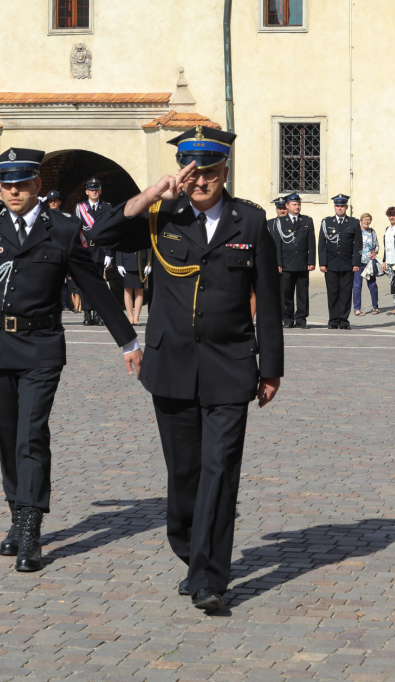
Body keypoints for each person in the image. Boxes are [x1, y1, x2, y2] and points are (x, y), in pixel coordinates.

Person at [0, 147, 140, 573]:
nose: (13, 191)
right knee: (6, 435)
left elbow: (92, 287)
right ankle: (17, 515)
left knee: (31, 435)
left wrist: (128, 341)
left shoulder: (64, 229)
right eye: (6, 184)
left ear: (37, 185)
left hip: (41, 346)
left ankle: (32, 528)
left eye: (21, 184)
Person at [90, 126, 284, 612]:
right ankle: (190, 551)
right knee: (184, 475)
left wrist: (271, 367)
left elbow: (271, 304)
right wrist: (155, 191)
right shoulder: (162, 215)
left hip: (230, 365)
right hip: (172, 364)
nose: (201, 182)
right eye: (193, 173)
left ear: (225, 172)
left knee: (220, 471)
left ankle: (209, 577)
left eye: (210, 173)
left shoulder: (251, 222)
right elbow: (102, 233)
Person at [271, 193, 315, 328]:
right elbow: (277, 245)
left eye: (299, 204)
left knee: (302, 293)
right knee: (286, 293)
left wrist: (311, 261)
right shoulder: (280, 222)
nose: (297, 207)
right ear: (287, 205)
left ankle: (301, 319)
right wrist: (278, 263)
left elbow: (311, 242)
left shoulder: (306, 221)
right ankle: (288, 319)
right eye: (294, 204)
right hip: (286, 263)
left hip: (302, 263)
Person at [75, 179, 113, 326]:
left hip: (100, 251)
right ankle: (87, 313)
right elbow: (76, 232)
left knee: (99, 285)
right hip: (85, 251)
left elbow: (110, 232)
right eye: (91, 189)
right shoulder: (80, 208)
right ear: (87, 192)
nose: (94, 192)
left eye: (97, 189)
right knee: (85, 284)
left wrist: (109, 253)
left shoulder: (107, 207)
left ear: (100, 191)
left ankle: (98, 314)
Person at [317, 195, 359, 329]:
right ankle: (333, 320)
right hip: (331, 264)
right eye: (337, 206)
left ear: (346, 207)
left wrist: (356, 263)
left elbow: (358, 244)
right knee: (332, 292)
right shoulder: (326, 222)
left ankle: (344, 320)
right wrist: (322, 263)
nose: (340, 208)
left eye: (342, 206)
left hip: (347, 264)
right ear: (334, 207)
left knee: (346, 293)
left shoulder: (353, 222)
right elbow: (321, 244)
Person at [353, 212, 380, 316]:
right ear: (361, 221)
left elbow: (377, 246)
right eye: (365, 220)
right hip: (358, 263)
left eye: (368, 220)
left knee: (372, 285)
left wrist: (374, 253)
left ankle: (375, 306)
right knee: (357, 286)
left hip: (369, 264)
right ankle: (357, 309)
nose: (367, 222)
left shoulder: (372, 232)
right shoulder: (357, 232)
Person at [116, 247, 152, 325]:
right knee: (128, 290)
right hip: (127, 262)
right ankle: (130, 317)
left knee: (139, 290)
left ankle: (136, 318)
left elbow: (149, 247)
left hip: (141, 262)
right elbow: (120, 244)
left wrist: (149, 263)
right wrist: (119, 263)